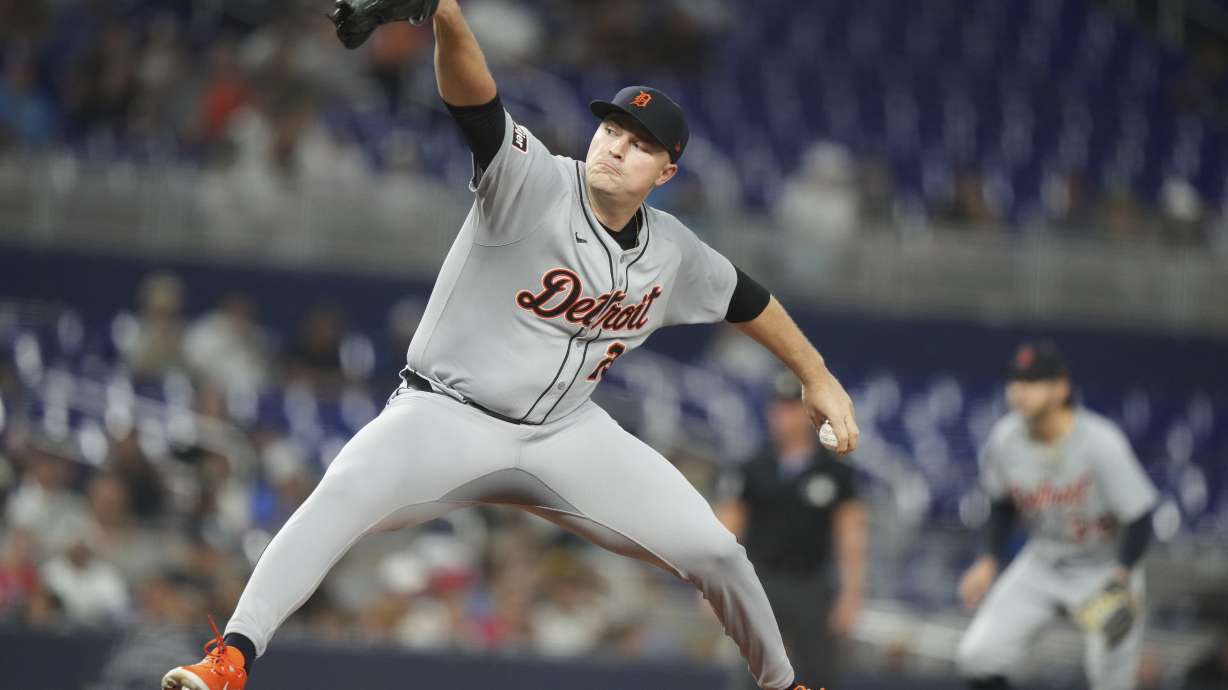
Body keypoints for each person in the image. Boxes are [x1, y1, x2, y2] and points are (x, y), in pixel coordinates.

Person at [161, 2, 859, 689]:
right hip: (447, 415)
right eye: (612, 127)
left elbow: (749, 299)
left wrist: (815, 374)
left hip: (567, 434)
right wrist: (445, 14)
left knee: (717, 551)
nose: (616, 144)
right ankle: (231, 660)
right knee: (340, 495)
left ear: (666, 173)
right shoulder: (533, 181)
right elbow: (476, 100)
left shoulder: (674, 251)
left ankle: (783, 685)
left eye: (640, 142)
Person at [956, 342, 1158, 690]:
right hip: (1044, 561)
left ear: (1060, 388)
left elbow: (1141, 517)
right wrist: (988, 558)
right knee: (976, 656)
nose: (1020, 390)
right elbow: (1001, 504)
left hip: (1104, 567)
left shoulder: (1100, 442)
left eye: (1033, 381)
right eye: (1016, 380)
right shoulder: (1005, 438)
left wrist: (1123, 576)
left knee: (1112, 681)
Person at [717, 372, 867, 688]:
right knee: (752, 672)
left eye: (791, 407)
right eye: (778, 407)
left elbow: (850, 535)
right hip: (760, 582)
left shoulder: (835, 472)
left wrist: (852, 592)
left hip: (810, 585)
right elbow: (728, 527)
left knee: (819, 672)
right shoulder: (752, 467)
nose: (783, 416)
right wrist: (714, 582)